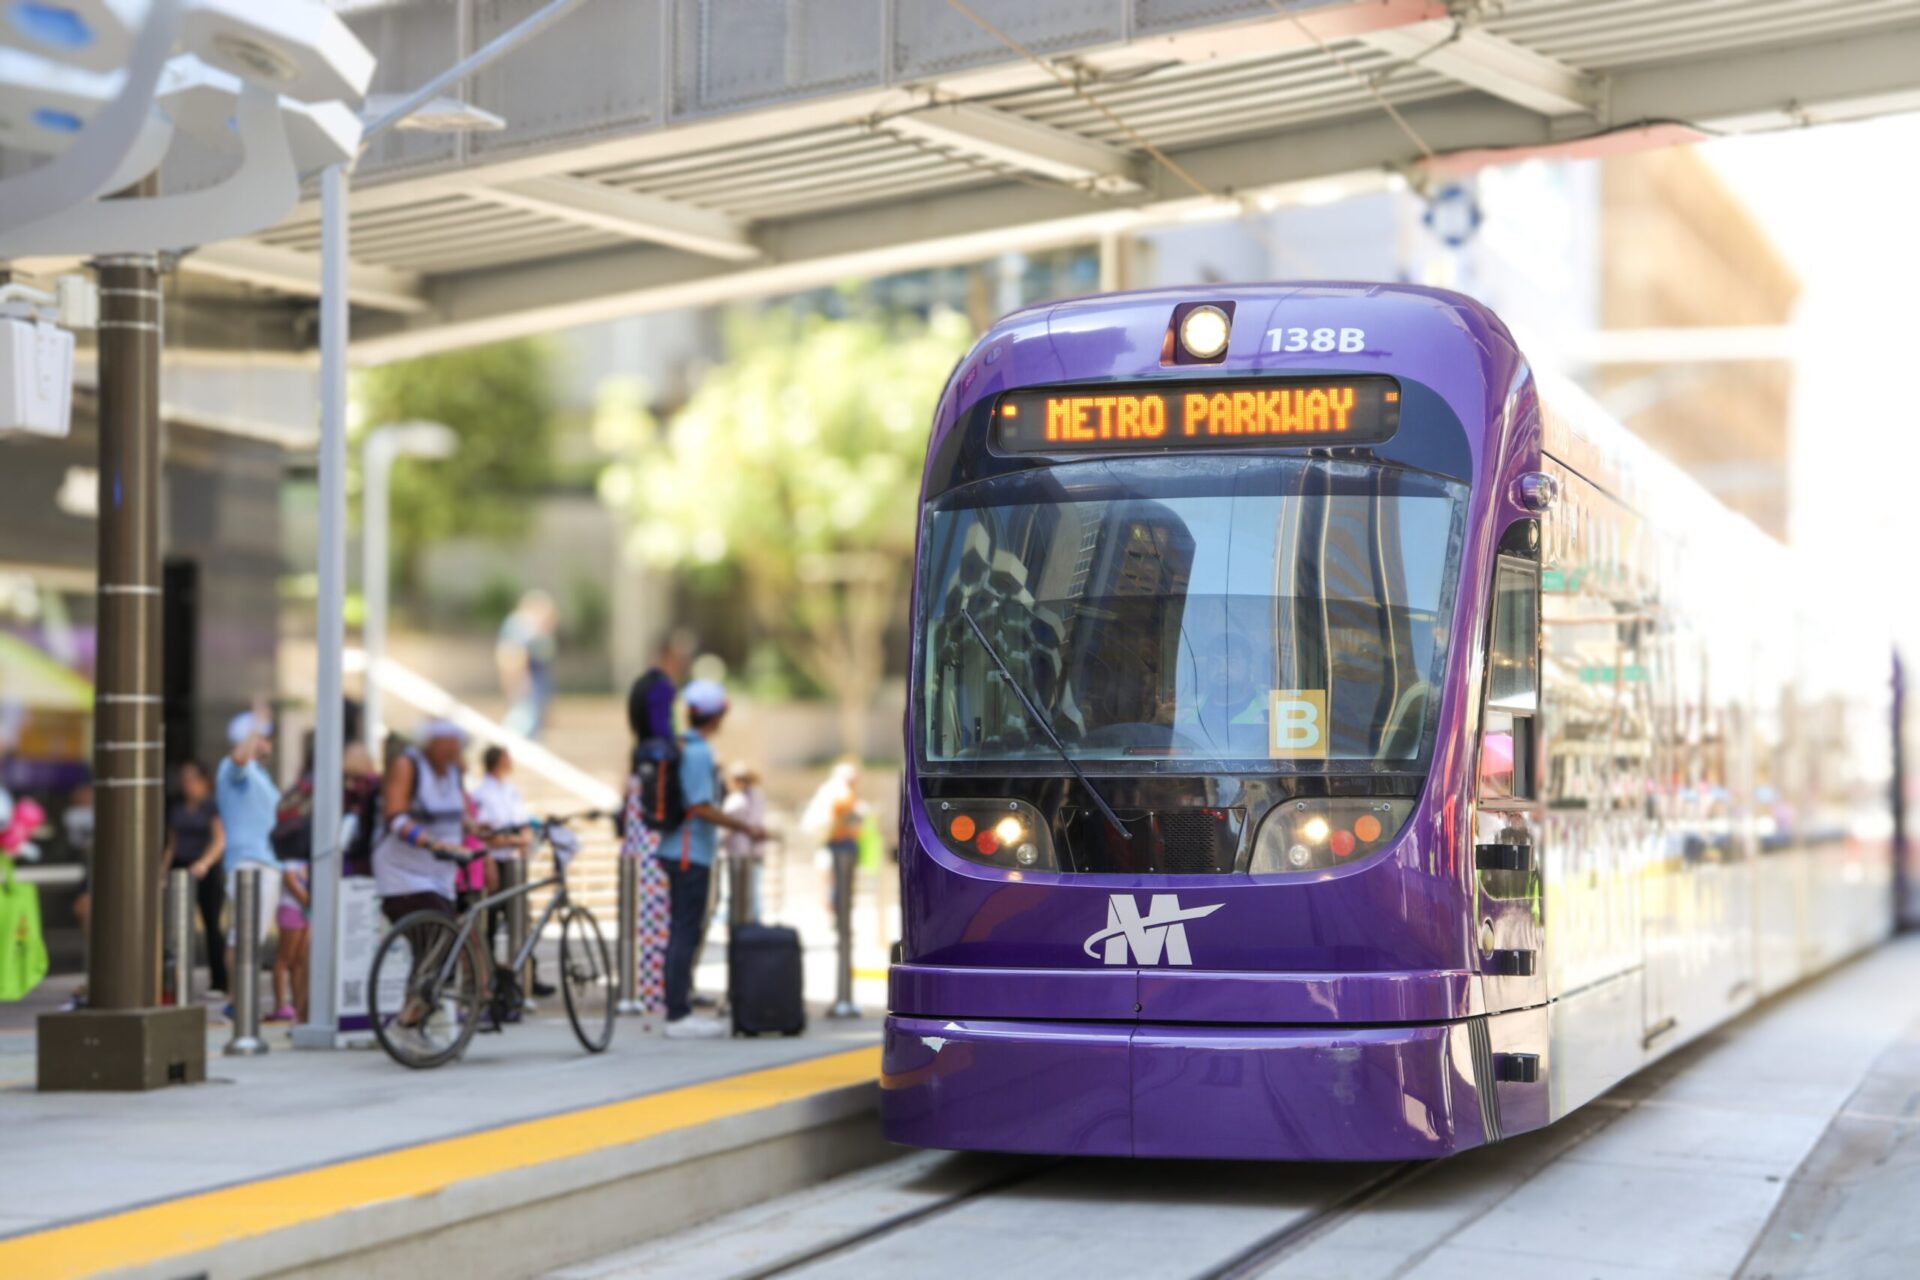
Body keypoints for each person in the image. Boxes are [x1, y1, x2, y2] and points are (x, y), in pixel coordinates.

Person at [658, 680, 765, 1039]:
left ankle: (678, 1006)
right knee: (685, 931)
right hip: (691, 853)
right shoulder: (699, 752)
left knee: (681, 930)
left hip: (679, 849)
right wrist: (743, 826)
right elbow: (699, 807)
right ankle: (677, 1015)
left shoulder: (684, 744)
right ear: (716, 716)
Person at [217, 708, 281, 1009]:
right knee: (243, 935)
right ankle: (236, 1001)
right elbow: (238, 759)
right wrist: (254, 726)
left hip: (265, 862)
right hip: (248, 863)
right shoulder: (232, 768)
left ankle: (239, 999)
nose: (269, 742)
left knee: (249, 937)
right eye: (264, 737)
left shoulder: (261, 775)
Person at [163, 760, 228, 996]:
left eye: (192, 779)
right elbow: (172, 844)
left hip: (204, 868)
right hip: (180, 866)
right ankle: (172, 982)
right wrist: (163, 873)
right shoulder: (176, 807)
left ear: (203, 781)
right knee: (174, 927)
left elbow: (219, 840)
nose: (187, 784)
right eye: (184, 779)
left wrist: (204, 863)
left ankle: (219, 981)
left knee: (212, 924)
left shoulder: (212, 807)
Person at [497, 591, 559, 740]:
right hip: (526, 692)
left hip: (535, 693)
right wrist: (517, 685)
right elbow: (511, 658)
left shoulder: (530, 629)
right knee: (520, 729)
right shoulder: (521, 626)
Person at [720, 762, 769, 926]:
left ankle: (742, 923)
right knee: (752, 889)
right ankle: (750, 920)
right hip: (753, 850)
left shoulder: (736, 799)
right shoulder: (758, 796)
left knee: (739, 890)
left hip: (740, 851)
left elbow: (726, 824)